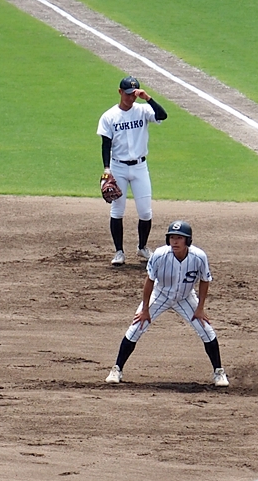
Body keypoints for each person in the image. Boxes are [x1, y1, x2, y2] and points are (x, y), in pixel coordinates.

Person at [105, 220, 229, 387]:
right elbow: (149, 281)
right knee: (136, 327)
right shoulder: (160, 255)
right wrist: (145, 309)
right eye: (172, 238)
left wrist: (200, 308)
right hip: (160, 294)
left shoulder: (199, 257)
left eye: (179, 238)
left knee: (206, 330)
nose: (175, 242)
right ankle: (117, 369)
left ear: (188, 240)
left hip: (185, 297)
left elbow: (205, 280)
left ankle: (219, 372)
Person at [97, 76, 168, 266]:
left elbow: (162, 115)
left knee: (145, 212)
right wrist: (107, 169)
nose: (131, 98)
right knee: (117, 210)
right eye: (128, 94)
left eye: (134, 95)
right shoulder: (109, 116)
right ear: (120, 92)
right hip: (118, 167)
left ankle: (142, 247)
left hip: (139, 167)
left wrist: (148, 98)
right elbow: (106, 144)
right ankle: (119, 252)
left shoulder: (143, 110)